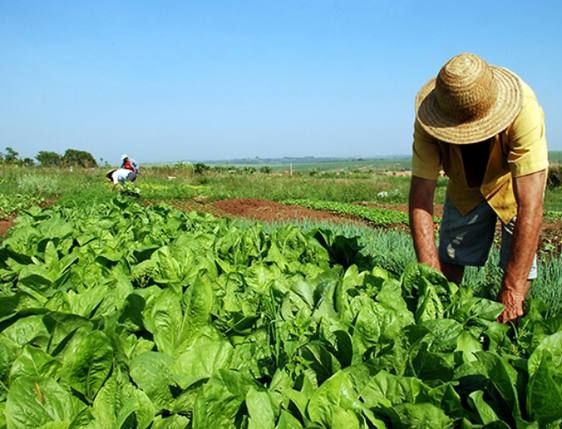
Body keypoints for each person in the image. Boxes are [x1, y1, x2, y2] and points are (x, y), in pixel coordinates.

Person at [408, 52, 548, 323]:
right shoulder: (429, 119)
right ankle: (446, 319)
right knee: (449, 258)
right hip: (463, 181)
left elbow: (531, 204)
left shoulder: (524, 109)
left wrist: (512, 288)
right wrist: (430, 279)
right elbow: (420, 197)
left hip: (510, 181)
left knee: (517, 279)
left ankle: (508, 330)